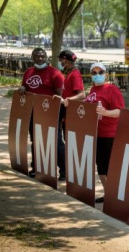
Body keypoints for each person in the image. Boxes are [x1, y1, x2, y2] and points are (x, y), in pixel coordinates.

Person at [18, 47, 64, 178]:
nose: (40, 58)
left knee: (55, 140)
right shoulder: (28, 72)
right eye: (37, 56)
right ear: (33, 57)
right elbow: (25, 87)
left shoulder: (54, 73)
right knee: (36, 140)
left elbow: (60, 93)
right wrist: (22, 88)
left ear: (46, 57)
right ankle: (37, 168)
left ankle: (64, 171)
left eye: (42, 56)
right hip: (32, 112)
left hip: (50, 111)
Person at [84, 62, 125, 203]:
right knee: (100, 167)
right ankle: (109, 195)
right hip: (95, 133)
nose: (97, 75)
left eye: (100, 72)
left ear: (106, 74)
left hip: (109, 134)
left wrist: (105, 112)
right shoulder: (92, 90)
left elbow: (120, 111)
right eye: (94, 73)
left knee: (109, 168)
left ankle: (115, 198)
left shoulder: (111, 89)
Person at [55, 49, 86, 181]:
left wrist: (66, 100)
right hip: (65, 111)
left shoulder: (75, 74)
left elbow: (82, 94)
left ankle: (75, 172)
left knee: (71, 141)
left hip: (71, 112)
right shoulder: (67, 73)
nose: (60, 62)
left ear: (66, 60)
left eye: (61, 60)